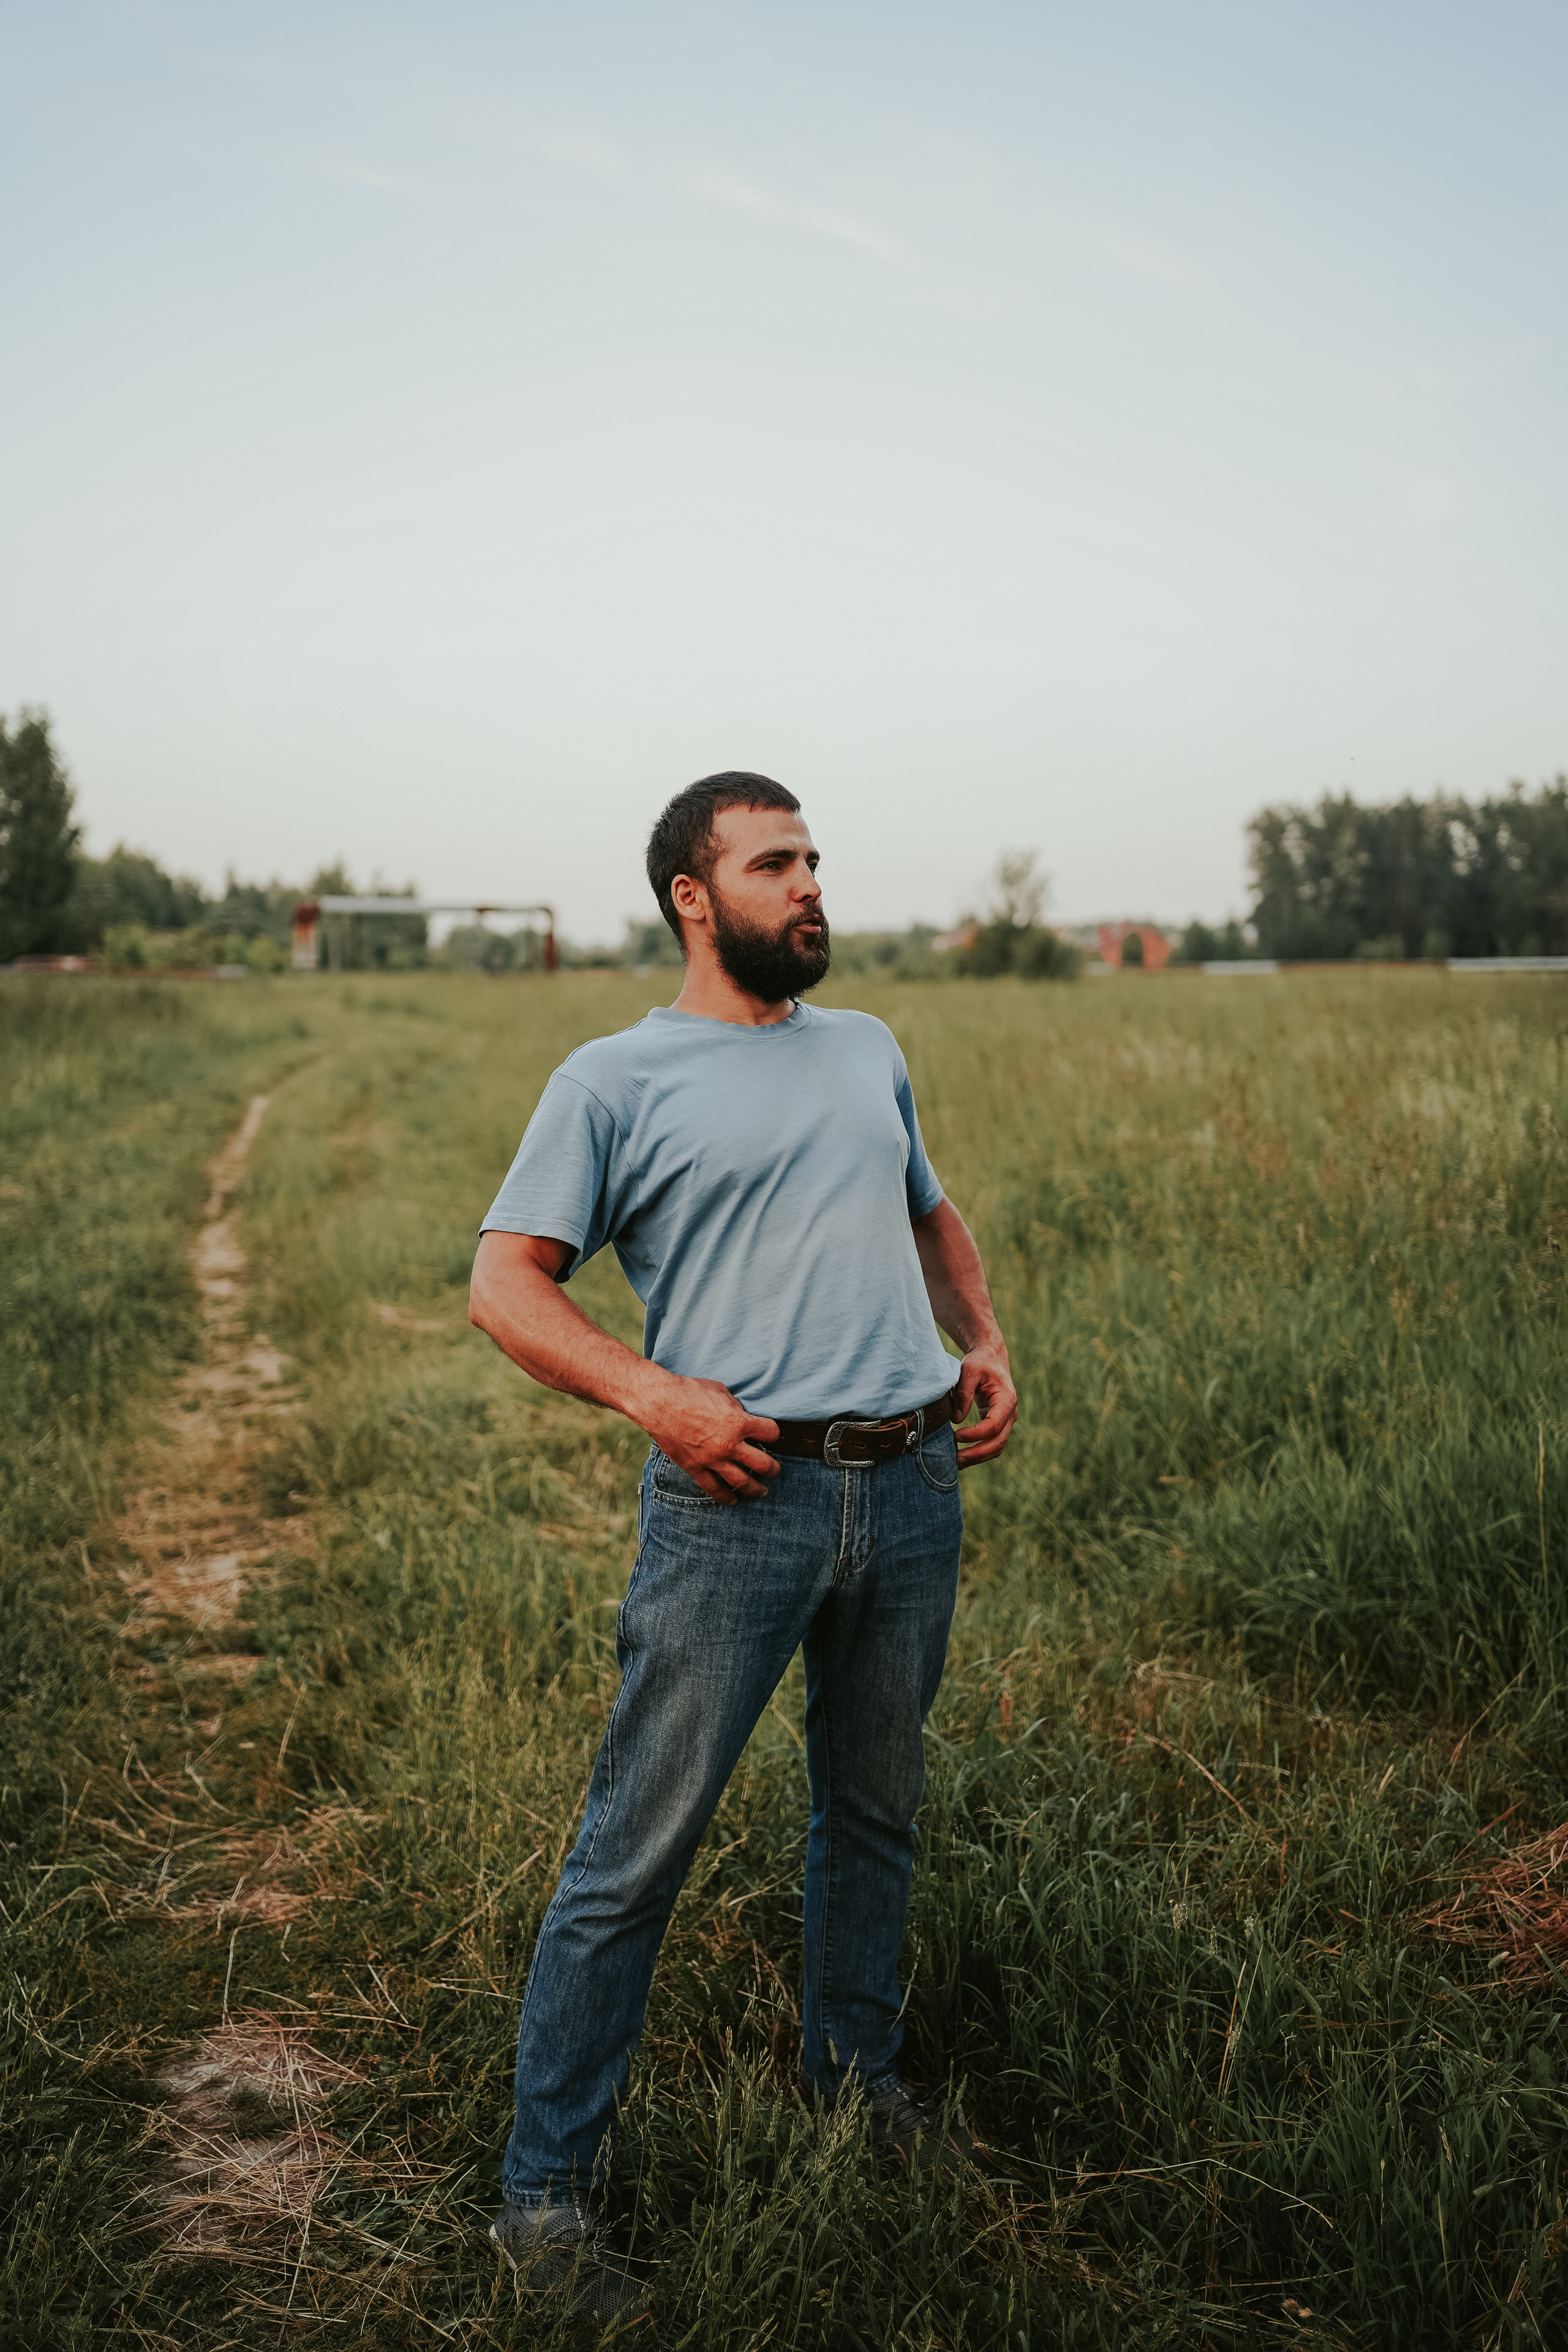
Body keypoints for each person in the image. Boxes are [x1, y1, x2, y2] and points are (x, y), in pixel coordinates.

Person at [469, 772, 1017, 2321]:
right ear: (692, 897)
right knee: (632, 1853)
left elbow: (929, 1208)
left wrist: (979, 1337)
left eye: (813, 859)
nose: (809, 885)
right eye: (774, 863)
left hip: (907, 1487)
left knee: (875, 1815)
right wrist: (658, 1400)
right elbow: (505, 1285)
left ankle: (860, 2095)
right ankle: (545, 2198)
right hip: (737, 1502)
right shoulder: (611, 1081)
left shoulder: (867, 1049)